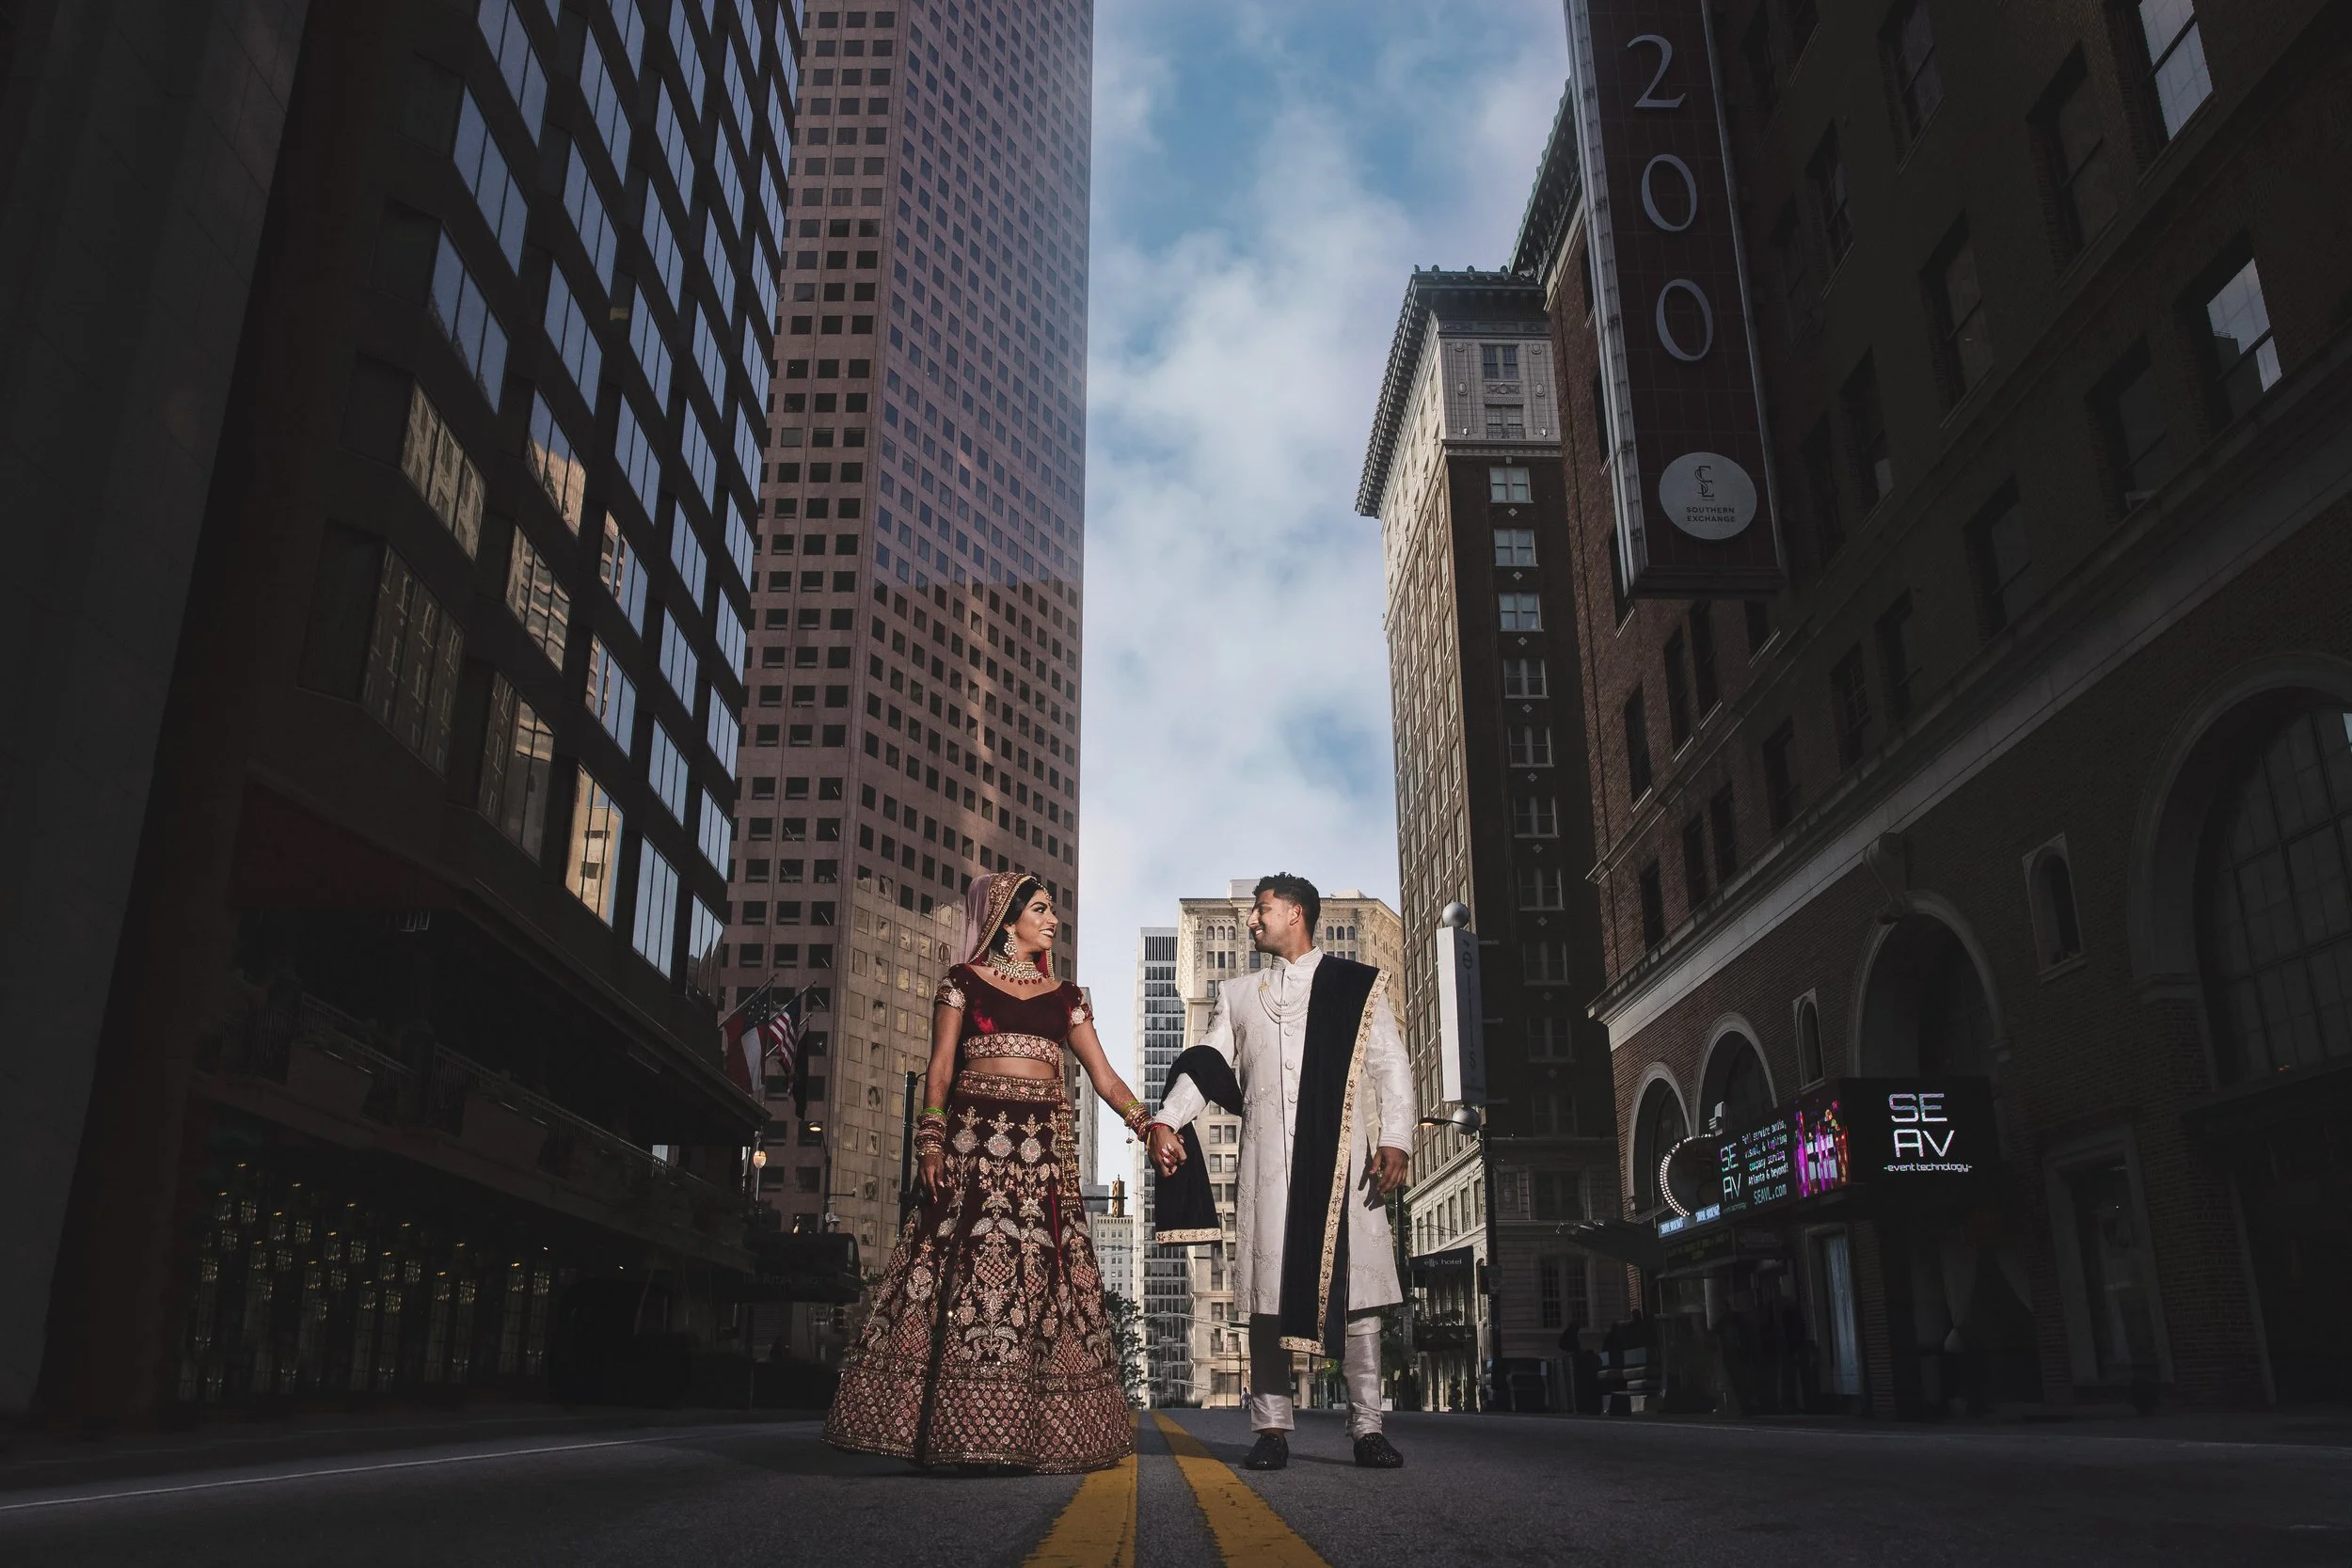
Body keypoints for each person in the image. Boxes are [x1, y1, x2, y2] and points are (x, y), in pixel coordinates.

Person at [823, 871, 1144, 1472]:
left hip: (1043, 1155)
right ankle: (945, 1426)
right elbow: (939, 1069)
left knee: (1042, 1283)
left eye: (1054, 911)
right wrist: (931, 1144)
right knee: (962, 1280)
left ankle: (1037, 1434)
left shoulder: (1067, 996)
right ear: (1008, 916)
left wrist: (1147, 1126)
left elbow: (1104, 1078)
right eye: (1043, 910)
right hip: (974, 1149)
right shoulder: (964, 983)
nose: (1053, 921)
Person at [1147, 873, 1414, 1471]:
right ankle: (1270, 1428)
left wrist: (1397, 1138)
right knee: (1266, 1299)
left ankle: (1367, 1426)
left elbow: (1392, 1066)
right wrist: (1165, 1121)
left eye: (1261, 909)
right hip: (1266, 1168)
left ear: (1295, 913)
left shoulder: (1356, 987)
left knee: (1359, 1300)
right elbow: (1208, 1066)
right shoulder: (1240, 995)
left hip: (1347, 1163)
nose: (1252, 920)